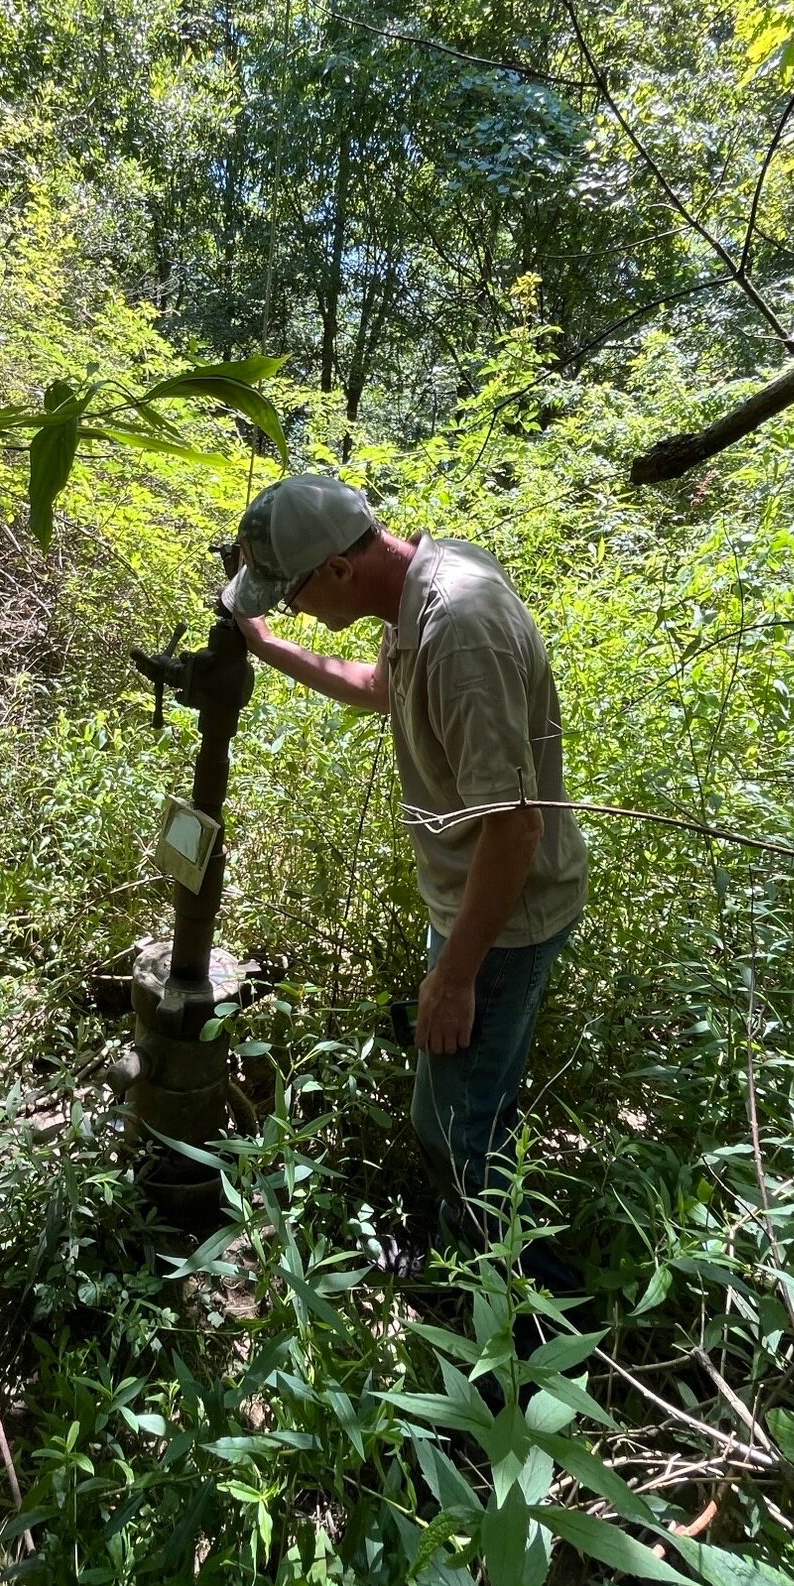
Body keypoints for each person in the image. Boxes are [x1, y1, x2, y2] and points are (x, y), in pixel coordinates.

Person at [223, 472, 586, 1267]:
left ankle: (531, 1328)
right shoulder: (423, 585)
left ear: (339, 571)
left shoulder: (459, 625)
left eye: (291, 595)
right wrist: (269, 644)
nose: (291, 609)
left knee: (455, 1130)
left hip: (501, 920)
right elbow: (383, 688)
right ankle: (474, 1251)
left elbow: (515, 830)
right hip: (474, 907)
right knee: (472, 1109)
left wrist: (455, 974)